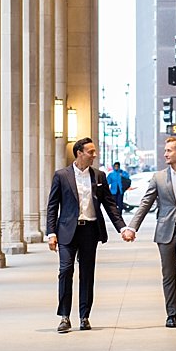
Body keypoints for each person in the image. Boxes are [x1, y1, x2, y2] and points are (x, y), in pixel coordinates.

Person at [121, 137, 176, 330]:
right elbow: (146, 203)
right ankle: (171, 314)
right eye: (166, 151)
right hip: (165, 231)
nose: (165, 154)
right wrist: (132, 227)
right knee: (168, 274)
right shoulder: (158, 178)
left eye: (169, 150)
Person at [46, 137, 126, 333]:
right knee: (65, 271)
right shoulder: (61, 175)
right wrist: (51, 233)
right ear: (79, 153)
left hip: (90, 230)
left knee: (87, 275)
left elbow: (109, 205)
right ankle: (64, 316)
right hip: (66, 232)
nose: (94, 155)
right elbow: (52, 206)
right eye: (91, 152)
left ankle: (84, 316)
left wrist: (122, 227)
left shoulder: (99, 176)